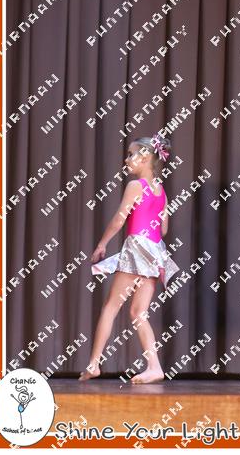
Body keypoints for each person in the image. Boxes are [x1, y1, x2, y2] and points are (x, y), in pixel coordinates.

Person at [80, 134, 179, 384]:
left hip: (137, 248)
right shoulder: (162, 192)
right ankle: (154, 367)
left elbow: (119, 219)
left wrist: (102, 244)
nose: (127, 159)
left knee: (111, 307)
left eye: (131, 154)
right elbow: (163, 230)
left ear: (144, 158)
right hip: (155, 252)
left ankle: (93, 365)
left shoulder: (136, 186)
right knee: (138, 312)